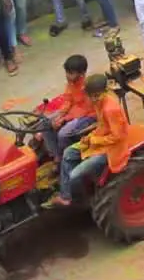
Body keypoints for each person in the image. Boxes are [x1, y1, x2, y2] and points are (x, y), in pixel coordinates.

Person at [46, 74, 130, 208]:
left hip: (112, 149)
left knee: (74, 175)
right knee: (68, 152)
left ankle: (86, 201)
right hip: (98, 141)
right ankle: (65, 196)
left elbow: (117, 137)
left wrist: (94, 140)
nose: (93, 99)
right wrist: (90, 137)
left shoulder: (110, 109)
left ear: (105, 91)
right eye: (91, 96)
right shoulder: (98, 103)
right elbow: (102, 126)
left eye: (97, 96)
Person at [39, 55, 97, 162]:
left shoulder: (88, 87)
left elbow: (84, 110)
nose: (67, 75)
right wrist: (61, 114)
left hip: (88, 117)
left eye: (70, 73)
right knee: (44, 122)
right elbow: (68, 100)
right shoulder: (71, 84)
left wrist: (65, 119)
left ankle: (68, 158)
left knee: (63, 134)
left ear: (81, 74)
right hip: (73, 113)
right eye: (66, 72)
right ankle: (56, 155)